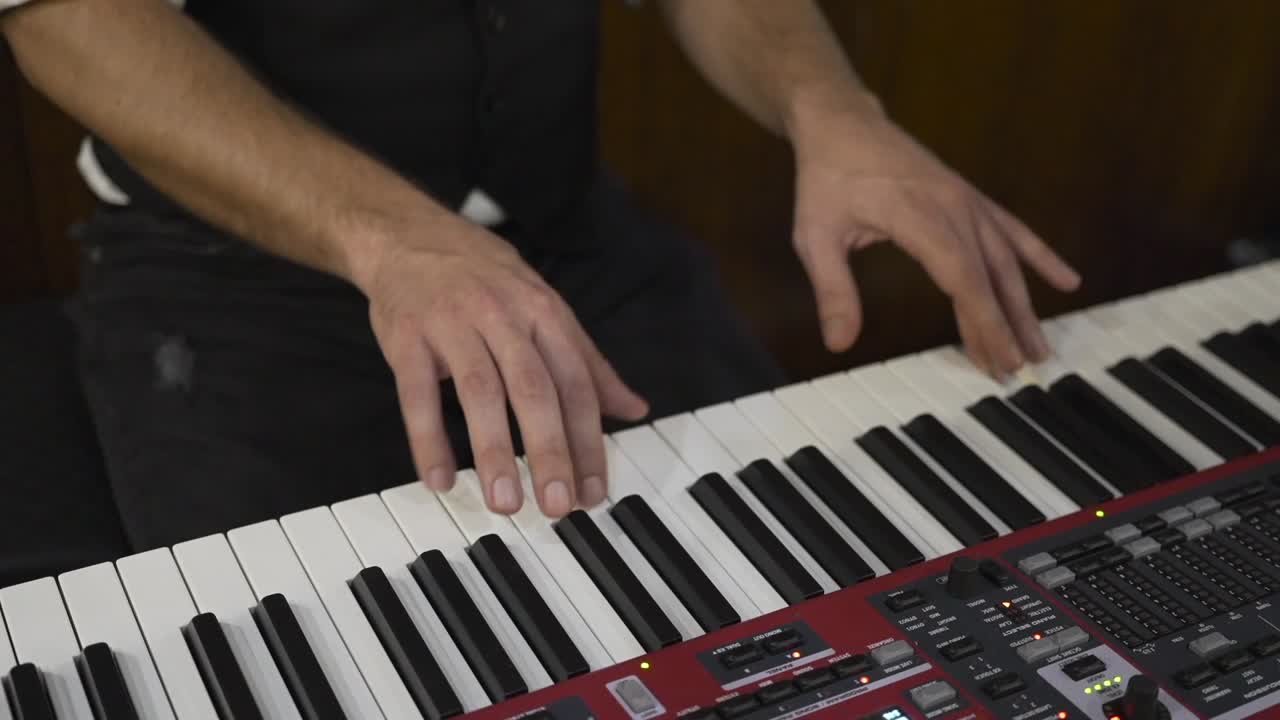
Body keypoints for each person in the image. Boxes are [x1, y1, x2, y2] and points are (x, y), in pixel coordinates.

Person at [0, 0, 1080, 555]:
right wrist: (390, 238)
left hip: (564, 239)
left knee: (800, 568)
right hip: (229, 284)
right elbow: (66, 15)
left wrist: (830, 108)